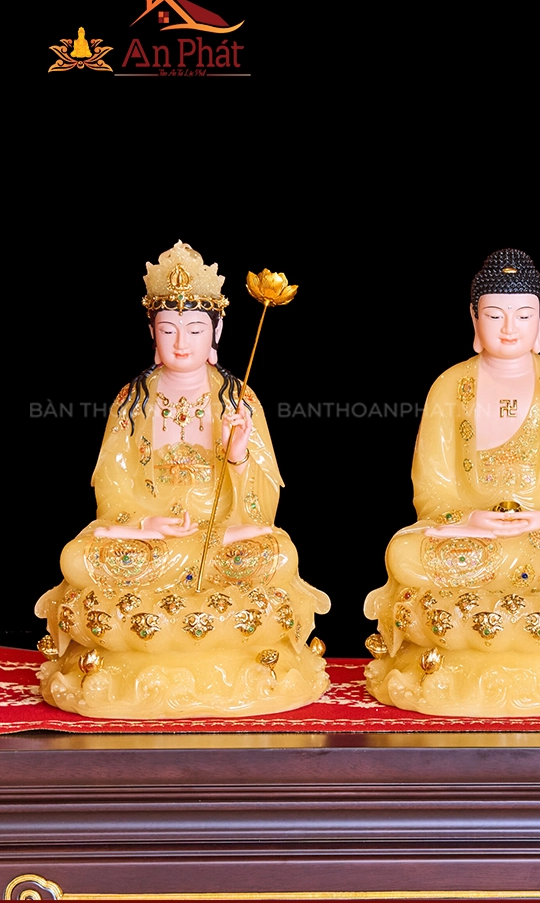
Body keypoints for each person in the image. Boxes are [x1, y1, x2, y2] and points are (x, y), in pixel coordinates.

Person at [34, 241, 330, 718]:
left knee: (277, 554)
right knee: (78, 558)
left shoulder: (240, 401)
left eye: (194, 330)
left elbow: (264, 499)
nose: (180, 343)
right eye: (168, 329)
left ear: (216, 332)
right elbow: (112, 485)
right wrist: (143, 525)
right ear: (152, 333)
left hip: (222, 539)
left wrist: (238, 456)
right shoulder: (132, 401)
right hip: (151, 543)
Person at [364, 249, 540, 714]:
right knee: (404, 552)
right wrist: (467, 520)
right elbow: (431, 483)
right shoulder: (449, 386)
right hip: (472, 541)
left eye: (522, 315)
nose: (508, 328)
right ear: (473, 318)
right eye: (495, 315)